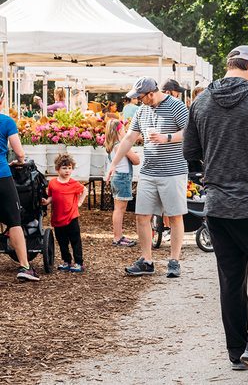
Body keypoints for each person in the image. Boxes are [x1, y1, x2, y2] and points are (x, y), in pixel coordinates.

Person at [183, 46, 248, 378]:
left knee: (231, 279)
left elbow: (190, 151)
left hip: (216, 206)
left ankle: (236, 350)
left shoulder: (201, 101)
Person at [105, 76, 189, 279]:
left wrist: (167, 138)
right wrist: (114, 164)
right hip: (149, 171)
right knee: (142, 215)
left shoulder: (176, 106)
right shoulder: (142, 111)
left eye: (141, 97)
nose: (138, 101)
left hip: (173, 170)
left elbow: (191, 132)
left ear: (151, 94)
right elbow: (128, 138)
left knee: (175, 216)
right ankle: (147, 260)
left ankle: (174, 261)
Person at [0, 89, 39, 281]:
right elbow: (20, 152)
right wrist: (19, 160)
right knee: (14, 222)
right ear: (2, 100)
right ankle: (24, 266)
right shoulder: (6, 122)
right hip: (2, 176)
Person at [44, 154, 88, 272]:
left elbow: (84, 190)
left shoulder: (74, 183)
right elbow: (51, 196)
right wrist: (46, 201)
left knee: (75, 241)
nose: (67, 170)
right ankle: (66, 261)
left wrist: (79, 203)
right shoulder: (53, 183)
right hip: (58, 218)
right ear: (57, 169)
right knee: (62, 242)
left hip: (71, 217)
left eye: (69, 168)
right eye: (64, 168)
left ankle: (79, 262)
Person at [104, 119, 139, 247]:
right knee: (119, 209)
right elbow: (136, 160)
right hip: (122, 178)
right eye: (124, 129)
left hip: (117, 178)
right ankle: (117, 237)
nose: (126, 132)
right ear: (119, 131)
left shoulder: (111, 145)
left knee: (118, 208)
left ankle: (118, 235)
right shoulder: (120, 145)